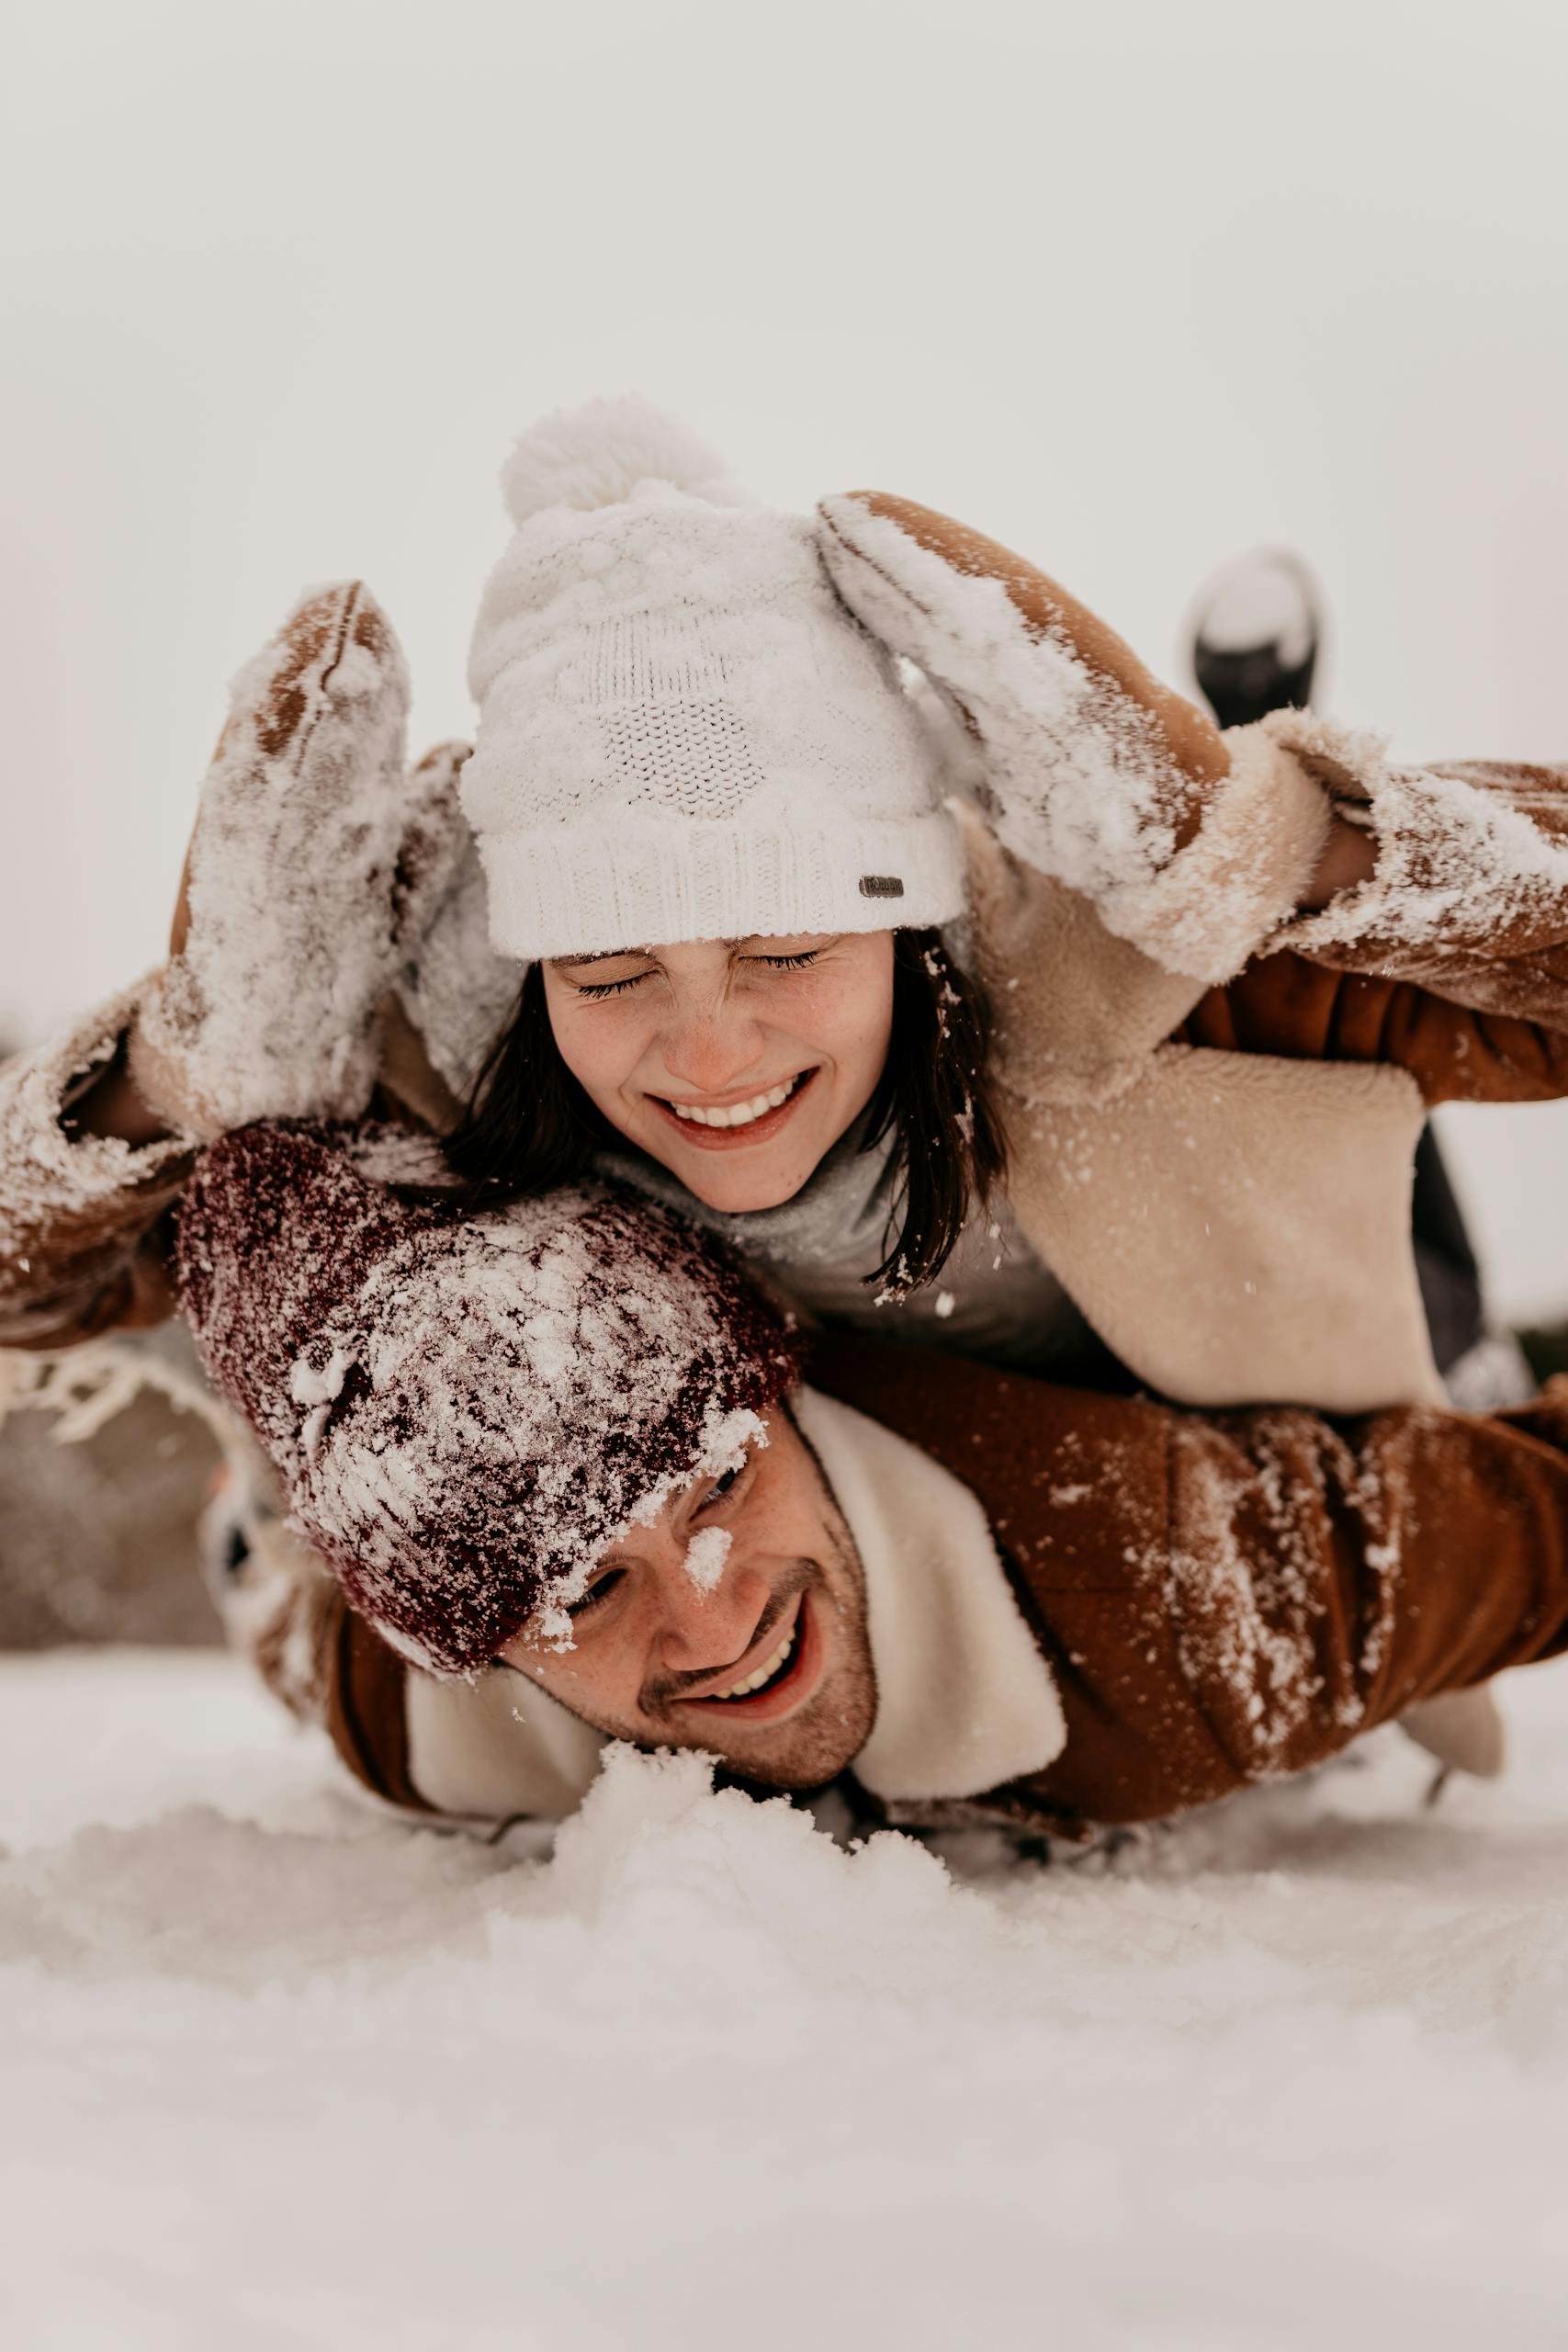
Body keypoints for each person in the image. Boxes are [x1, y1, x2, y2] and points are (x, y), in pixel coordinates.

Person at [8, 399, 1568, 1771]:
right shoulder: (466, 1091)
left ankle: (1250, 704)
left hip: (1264, 1357)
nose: (709, 1058)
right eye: (612, 978)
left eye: (785, 948)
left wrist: (1266, 846)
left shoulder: (1126, 958)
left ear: (903, 916)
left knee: (1406, 1241)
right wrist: (187, 1077)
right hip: (846, 1505)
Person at [175, 1118, 1568, 1841]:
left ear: (780, 1398)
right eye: (590, 1589)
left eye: (719, 1488)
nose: (716, 1626)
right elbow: (299, 1628)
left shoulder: (1173, 1596)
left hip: (1212, 1296)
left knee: (1437, 1327)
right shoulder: (409, 1716)